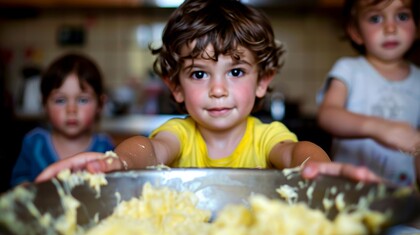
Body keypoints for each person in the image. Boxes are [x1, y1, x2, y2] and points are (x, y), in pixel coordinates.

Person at [36, 0, 381, 183]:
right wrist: (118, 161)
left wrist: (316, 167)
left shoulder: (266, 138)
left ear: (263, 80)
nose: (218, 89)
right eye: (199, 73)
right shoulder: (180, 135)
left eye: (235, 71)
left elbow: (295, 154)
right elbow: (149, 150)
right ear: (175, 86)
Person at [317, 0, 420, 186]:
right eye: (376, 18)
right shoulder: (348, 69)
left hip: (402, 195)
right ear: (356, 32)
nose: (390, 28)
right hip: (349, 189)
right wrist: (378, 128)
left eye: (402, 16)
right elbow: (327, 115)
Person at [11, 53, 115, 187]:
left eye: (83, 100)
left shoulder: (105, 148)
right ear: (44, 104)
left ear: (100, 104)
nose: (71, 110)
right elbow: (18, 185)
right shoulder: (34, 144)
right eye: (60, 100)